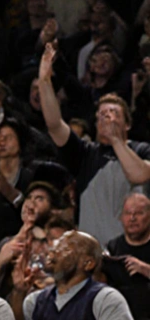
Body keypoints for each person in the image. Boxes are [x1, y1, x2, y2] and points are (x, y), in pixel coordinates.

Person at [37, 43, 150, 245]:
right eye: (101, 115)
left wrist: (116, 140)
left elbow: (139, 175)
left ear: (128, 124)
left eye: (113, 113)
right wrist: (45, 81)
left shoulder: (142, 150)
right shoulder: (85, 153)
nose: (106, 117)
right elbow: (54, 124)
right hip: (93, 253)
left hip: (133, 252)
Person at [14, 231, 134, 320]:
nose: (54, 252)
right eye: (55, 247)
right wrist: (19, 292)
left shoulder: (105, 299)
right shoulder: (35, 301)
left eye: (65, 249)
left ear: (88, 263)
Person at [102, 193, 150, 320]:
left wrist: (146, 269)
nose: (132, 218)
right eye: (128, 213)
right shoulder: (112, 249)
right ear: (121, 218)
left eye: (139, 213)